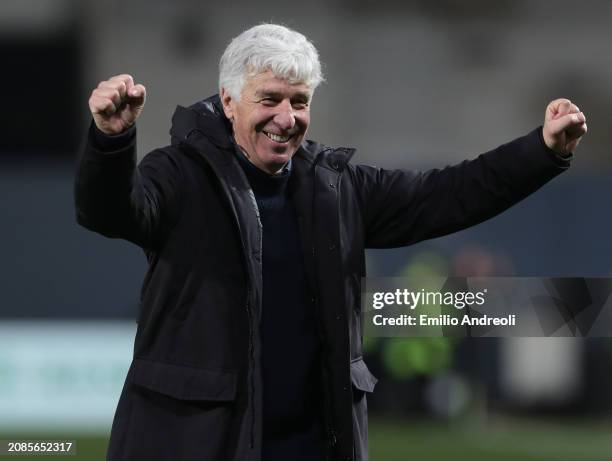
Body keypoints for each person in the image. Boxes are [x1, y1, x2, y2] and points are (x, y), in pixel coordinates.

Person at [74, 23, 587, 461]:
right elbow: (108, 212)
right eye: (269, 99)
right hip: (199, 444)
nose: (287, 118)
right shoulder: (177, 174)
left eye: (300, 102)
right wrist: (111, 141)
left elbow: (448, 195)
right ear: (228, 102)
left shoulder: (336, 186)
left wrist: (540, 150)